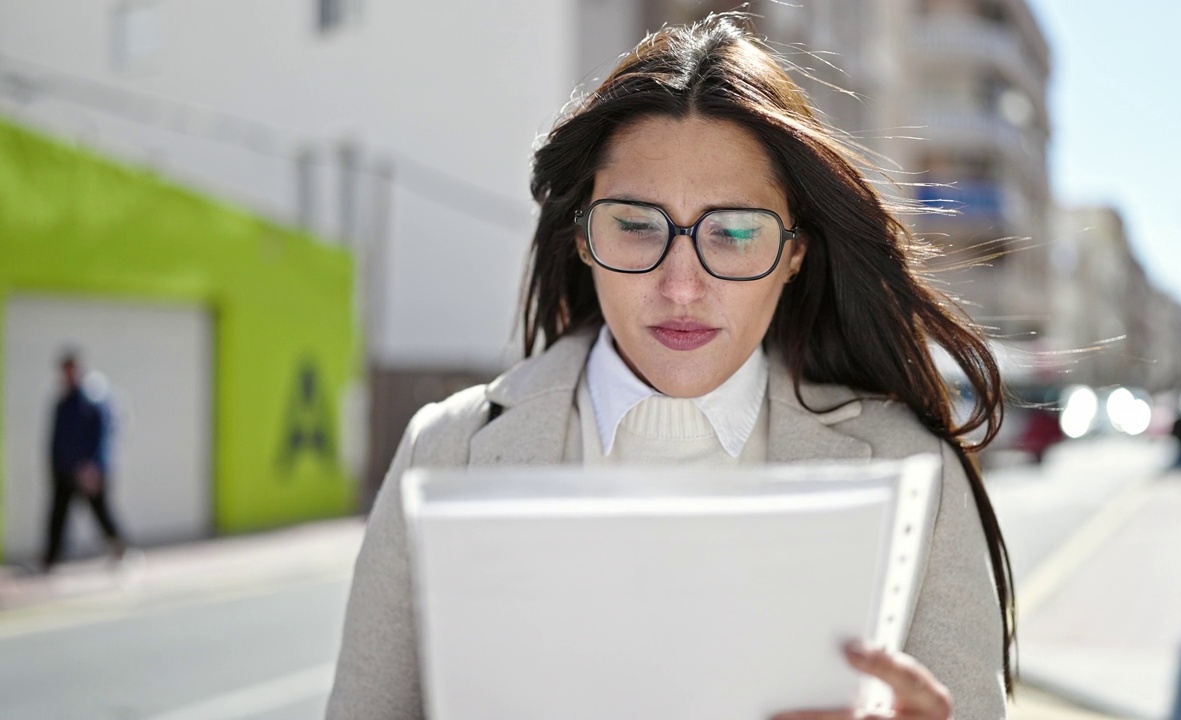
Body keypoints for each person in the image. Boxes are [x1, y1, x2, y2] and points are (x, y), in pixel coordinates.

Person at [328, 14, 1014, 720]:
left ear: (795, 253)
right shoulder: (441, 451)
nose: (682, 286)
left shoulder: (914, 475)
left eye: (736, 232)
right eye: (635, 225)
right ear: (584, 238)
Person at [43, 352, 128, 571]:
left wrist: (94, 466)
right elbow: (57, 438)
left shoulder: (93, 399)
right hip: (64, 469)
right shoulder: (63, 402)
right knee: (58, 515)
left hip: (88, 470)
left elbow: (102, 436)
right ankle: (50, 560)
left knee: (101, 511)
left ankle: (120, 549)